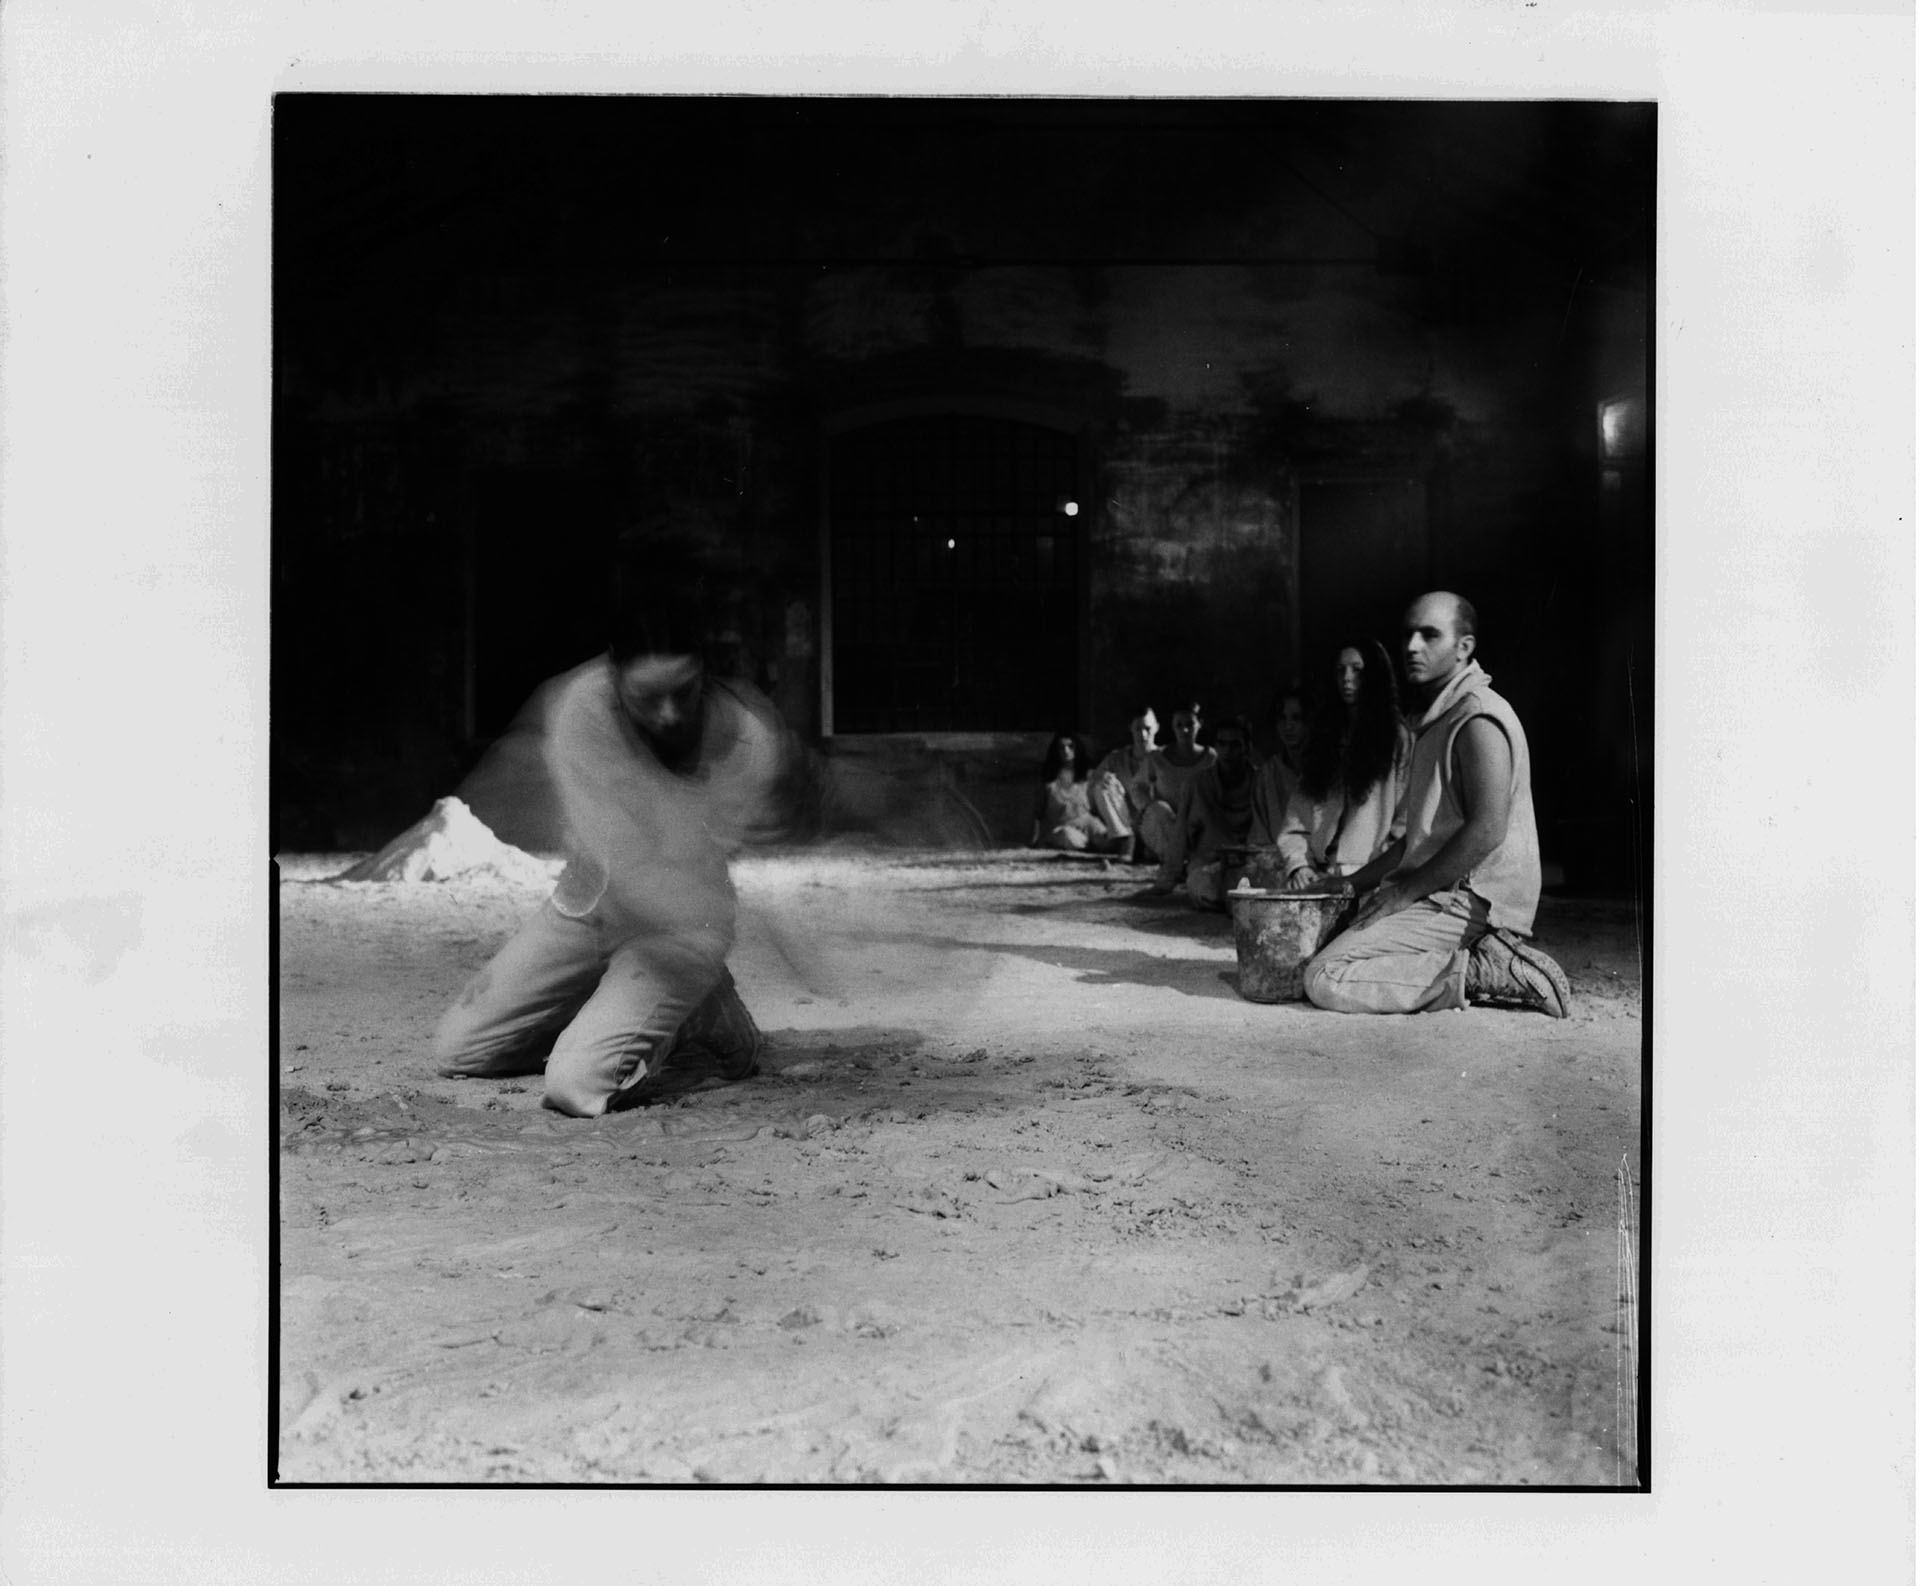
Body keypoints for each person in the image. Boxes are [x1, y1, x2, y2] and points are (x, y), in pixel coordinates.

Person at [433, 583, 797, 1115]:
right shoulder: (582, 707)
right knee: (460, 1050)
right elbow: (620, 853)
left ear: (703, 672)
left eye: (684, 693)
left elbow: (694, 869)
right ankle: (662, 1011)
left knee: (574, 1085)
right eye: (648, 698)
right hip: (592, 900)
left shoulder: (745, 739)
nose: (669, 714)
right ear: (614, 675)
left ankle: (697, 1012)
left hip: (678, 930)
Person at [1301, 592, 1572, 1017]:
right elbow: (1419, 839)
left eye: (1429, 635)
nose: (1412, 647)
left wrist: (1402, 894)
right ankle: (1473, 959)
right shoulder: (1439, 718)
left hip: (1473, 901)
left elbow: (1487, 830)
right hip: (1440, 890)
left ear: (1464, 647)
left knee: (1324, 975)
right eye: (1408, 635)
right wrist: (1352, 884)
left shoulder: (1477, 716)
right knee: (1333, 941)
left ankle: (1485, 970)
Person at [1251, 640, 1411, 890]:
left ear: (1374, 675)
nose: (1347, 678)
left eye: (1357, 670)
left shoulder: (1396, 738)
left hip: (1373, 875)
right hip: (1320, 873)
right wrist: (1299, 865)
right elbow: (1297, 819)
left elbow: (1405, 819)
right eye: (1340, 670)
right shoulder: (1325, 738)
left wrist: (1371, 873)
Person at [1149, 713, 1258, 908]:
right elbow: (1180, 835)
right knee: (1201, 885)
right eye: (1222, 744)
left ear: (1247, 748)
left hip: (1249, 862)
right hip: (1209, 864)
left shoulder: (1261, 783)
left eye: (1235, 745)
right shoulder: (1197, 783)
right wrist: (1167, 879)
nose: (1227, 751)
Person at [1136, 700, 1215, 867]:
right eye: (1179, 725)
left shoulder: (1211, 758)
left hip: (1197, 824)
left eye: (1189, 724)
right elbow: (1138, 786)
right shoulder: (1157, 757)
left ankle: (1192, 858)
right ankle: (1174, 860)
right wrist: (1147, 807)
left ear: (1199, 724)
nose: (1184, 730)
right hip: (1166, 824)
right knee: (1158, 809)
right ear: (1172, 726)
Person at [1030, 731, 1128, 855]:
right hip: (1062, 826)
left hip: (1088, 822)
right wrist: (1035, 839)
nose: (1066, 751)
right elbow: (1037, 813)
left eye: (1071, 746)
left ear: (1077, 748)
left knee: (1109, 841)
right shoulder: (1048, 780)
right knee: (1067, 836)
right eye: (1061, 747)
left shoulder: (1088, 775)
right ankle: (1089, 847)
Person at [1088, 706, 1161, 863]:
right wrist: (1102, 778)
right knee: (1103, 783)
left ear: (1156, 728)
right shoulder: (1116, 758)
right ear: (1131, 729)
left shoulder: (1165, 757)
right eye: (1138, 729)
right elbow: (1092, 788)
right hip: (1127, 822)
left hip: (1155, 822)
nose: (1143, 735)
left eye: (1147, 729)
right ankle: (1126, 840)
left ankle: (1148, 847)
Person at [1246, 686, 1309, 869]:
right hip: (1279, 866)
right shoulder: (1267, 775)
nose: (1288, 726)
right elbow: (1259, 839)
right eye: (1282, 719)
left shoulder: (1328, 772)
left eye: (1296, 718)